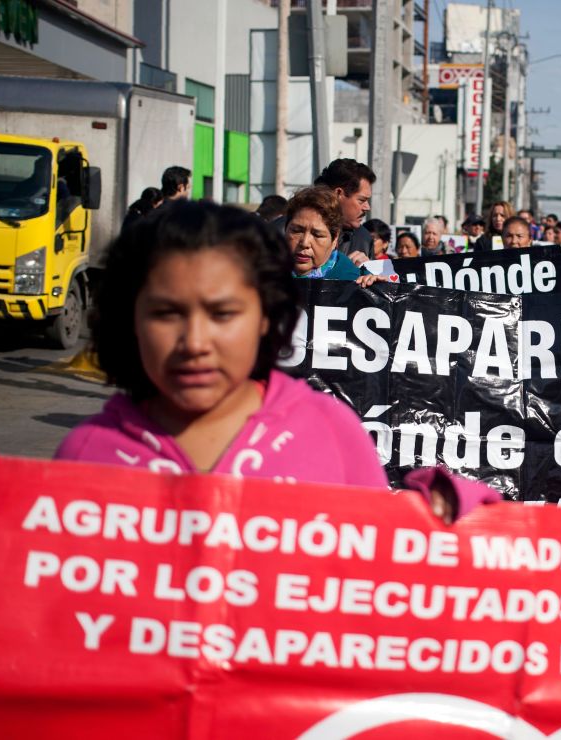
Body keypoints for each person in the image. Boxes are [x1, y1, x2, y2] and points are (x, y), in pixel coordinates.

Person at [55, 201, 499, 523]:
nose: (194, 341)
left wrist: (443, 515)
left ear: (266, 317)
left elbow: (384, 570)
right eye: (166, 313)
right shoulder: (85, 454)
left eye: (223, 313)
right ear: (126, 322)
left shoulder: (331, 432)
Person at [283, 187, 360, 281]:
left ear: (334, 239)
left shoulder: (354, 283)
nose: (305, 243)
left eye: (317, 235)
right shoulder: (263, 274)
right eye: (296, 231)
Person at [314, 158, 376, 260]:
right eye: (361, 200)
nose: (367, 207)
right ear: (338, 193)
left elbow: (371, 276)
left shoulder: (363, 239)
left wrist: (366, 271)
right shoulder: (285, 230)